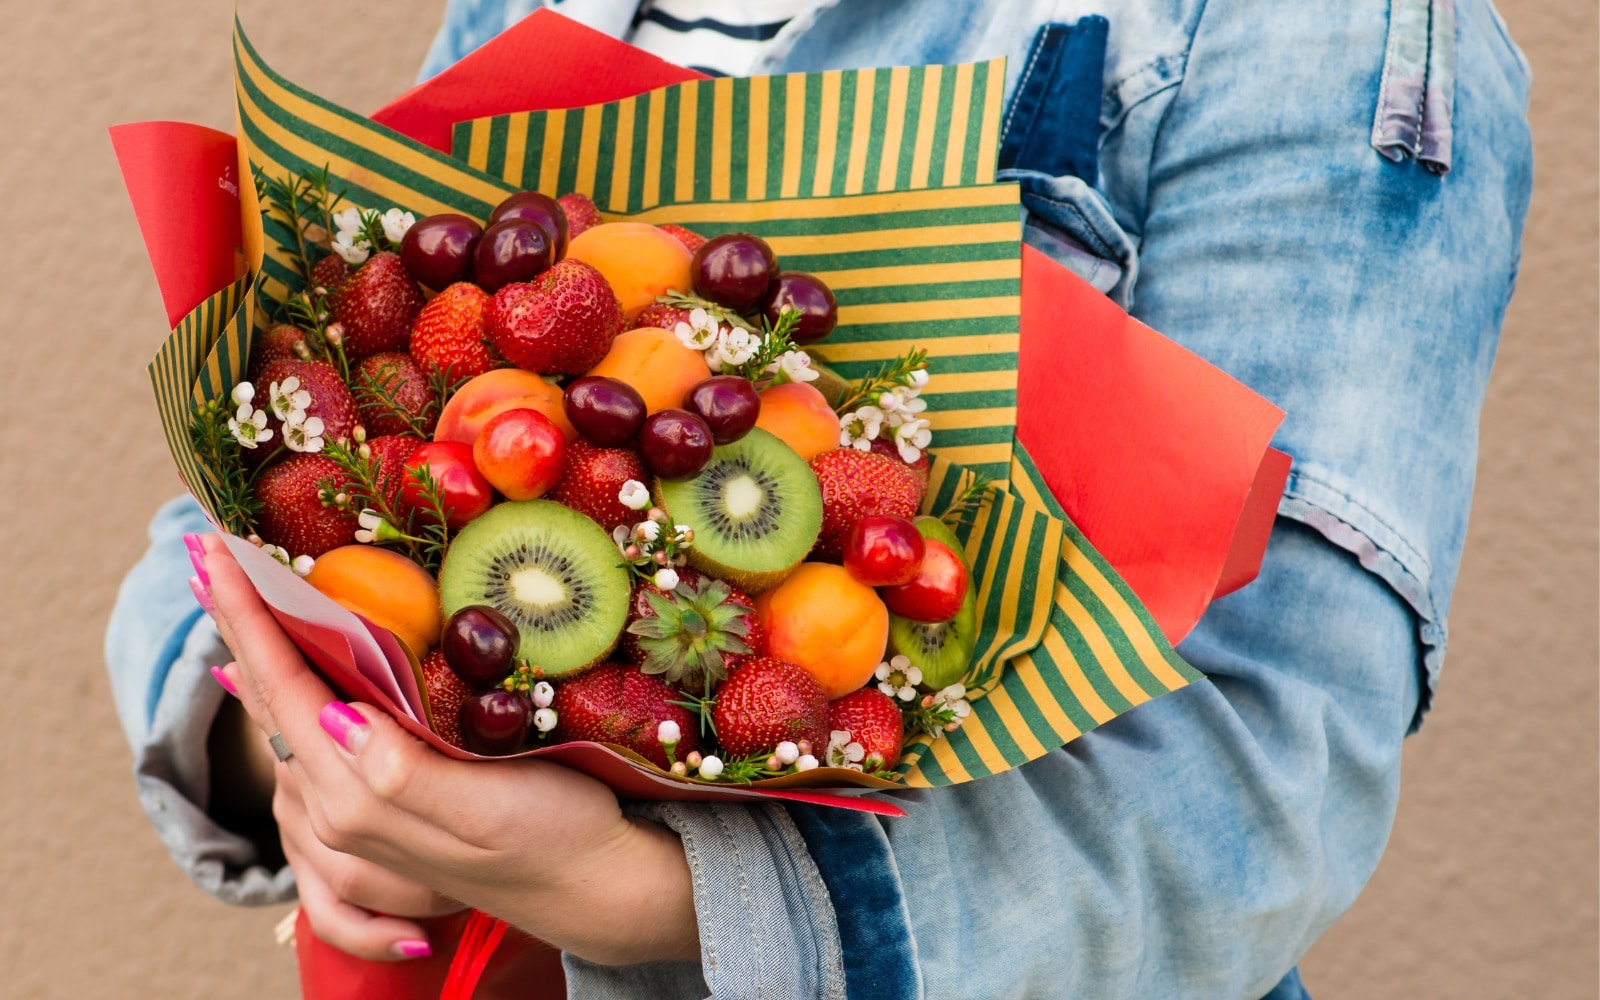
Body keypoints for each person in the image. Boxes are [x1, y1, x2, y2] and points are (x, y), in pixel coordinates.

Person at [107, 0, 1534, 996]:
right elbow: (282, 444)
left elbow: (1261, 792)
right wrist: (323, 772)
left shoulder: (1326, 25)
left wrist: (657, 903)